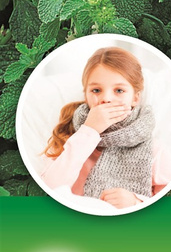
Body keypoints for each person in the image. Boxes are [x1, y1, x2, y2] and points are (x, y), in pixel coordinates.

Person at [41, 46, 154, 209]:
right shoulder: (70, 139)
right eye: (96, 90)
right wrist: (90, 130)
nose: (106, 98)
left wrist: (136, 201)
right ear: (85, 95)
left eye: (119, 90)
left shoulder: (151, 148)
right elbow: (50, 187)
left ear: (135, 98)